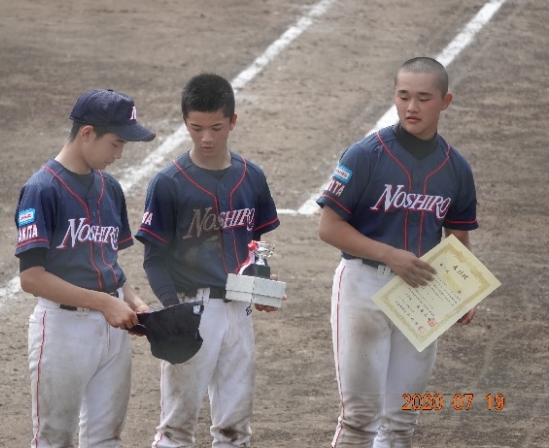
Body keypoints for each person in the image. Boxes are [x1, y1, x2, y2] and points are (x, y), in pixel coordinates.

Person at [316, 56, 478, 447]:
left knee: (402, 421)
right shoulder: (365, 155)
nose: (411, 107)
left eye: (424, 98)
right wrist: (390, 255)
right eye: (403, 96)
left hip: (421, 294)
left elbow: (457, 237)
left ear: (445, 101)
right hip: (363, 285)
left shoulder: (456, 168)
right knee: (359, 419)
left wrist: (463, 290)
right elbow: (329, 227)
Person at [135, 73, 281, 448]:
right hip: (192, 308)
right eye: (196, 128)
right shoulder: (169, 183)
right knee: (176, 429)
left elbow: (255, 245)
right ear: (185, 122)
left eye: (216, 128)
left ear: (232, 121)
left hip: (239, 312)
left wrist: (261, 285)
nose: (206, 138)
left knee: (235, 430)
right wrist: (173, 310)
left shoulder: (252, 177)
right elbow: (153, 258)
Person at [14, 89, 155, 447]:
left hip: (111, 329)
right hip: (64, 331)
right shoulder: (42, 189)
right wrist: (105, 302)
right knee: (55, 438)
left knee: (106, 438)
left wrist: (132, 299)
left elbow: (108, 262)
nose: (118, 155)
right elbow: (31, 278)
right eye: (116, 143)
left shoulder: (110, 188)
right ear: (87, 133)